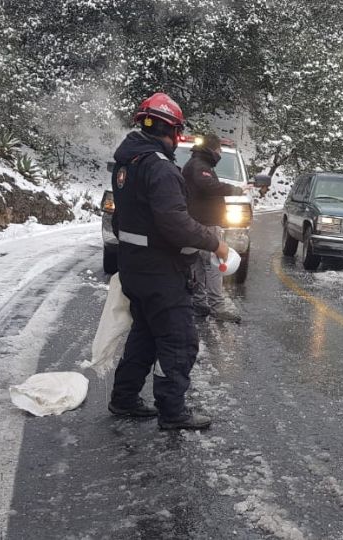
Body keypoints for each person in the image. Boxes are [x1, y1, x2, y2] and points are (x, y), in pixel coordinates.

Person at [108, 92, 229, 430]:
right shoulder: (159, 167)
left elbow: (122, 221)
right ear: (172, 130)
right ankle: (172, 411)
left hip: (134, 265)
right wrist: (214, 244)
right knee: (178, 341)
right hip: (160, 271)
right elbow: (175, 223)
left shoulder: (126, 163)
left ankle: (124, 397)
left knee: (144, 335)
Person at [183, 133, 242, 323]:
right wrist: (234, 190)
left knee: (199, 264)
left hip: (197, 222)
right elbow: (208, 185)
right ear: (212, 149)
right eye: (219, 150)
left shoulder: (196, 163)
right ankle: (217, 305)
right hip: (205, 224)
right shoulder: (200, 166)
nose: (220, 154)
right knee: (214, 264)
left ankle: (200, 302)